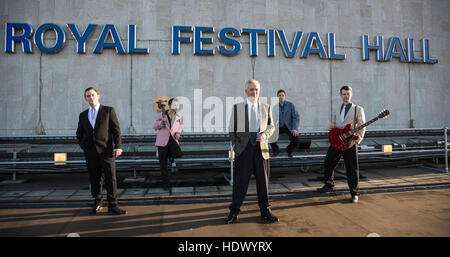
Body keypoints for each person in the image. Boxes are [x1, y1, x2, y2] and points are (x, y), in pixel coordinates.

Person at [226, 79, 278, 224]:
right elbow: (231, 130)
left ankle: (265, 211)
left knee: (263, 183)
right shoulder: (238, 108)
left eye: (256, 89)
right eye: (251, 89)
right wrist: (239, 144)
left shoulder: (266, 107)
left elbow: (271, 126)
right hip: (244, 151)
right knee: (240, 183)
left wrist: (265, 135)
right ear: (245, 91)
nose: (254, 92)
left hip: (261, 150)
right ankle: (234, 211)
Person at [76, 87, 126, 215]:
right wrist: (84, 146)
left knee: (111, 178)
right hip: (90, 152)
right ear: (85, 99)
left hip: (106, 151)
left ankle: (113, 205)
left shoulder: (108, 111)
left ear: (98, 96)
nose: (90, 97)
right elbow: (79, 134)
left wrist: (118, 146)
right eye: (88, 96)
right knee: (95, 178)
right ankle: (97, 203)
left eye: (92, 95)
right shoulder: (83, 115)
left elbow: (116, 130)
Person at [317, 85, 366, 203]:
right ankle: (329, 185)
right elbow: (333, 123)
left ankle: (354, 193)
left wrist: (357, 140)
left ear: (351, 94)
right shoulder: (336, 108)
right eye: (344, 94)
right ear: (341, 95)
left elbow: (362, 126)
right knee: (328, 162)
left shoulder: (358, 109)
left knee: (352, 169)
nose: (346, 96)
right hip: (337, 142)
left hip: (350, 143)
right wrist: (333, 130)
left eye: (348, 94)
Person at [153, 98, 183, 191]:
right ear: (169, 105)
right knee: (163, 165)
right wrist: (160, 125)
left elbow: (180, 127)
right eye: (174, 105)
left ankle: (172, 159)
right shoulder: (161, 115)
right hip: (162, 142)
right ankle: (166, 184)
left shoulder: (179, 116)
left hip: (173, 141)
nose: (176, 107)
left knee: (178, 154)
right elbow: (155, 127)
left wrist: (178, 132)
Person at [270, 89, 300, 158]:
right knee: (270, 136)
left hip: (289, 126)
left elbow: (296, 117)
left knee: (296, 140)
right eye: (279, 95)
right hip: (280, 126)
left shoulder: (290, 105)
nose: (281, 97)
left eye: (282, 95)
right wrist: (272, 128)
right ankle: (276, 151)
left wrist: (295, 128)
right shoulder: (275, 107)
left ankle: (289, 150)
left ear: (285, 96)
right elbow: (273, 119)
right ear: (277, 97)